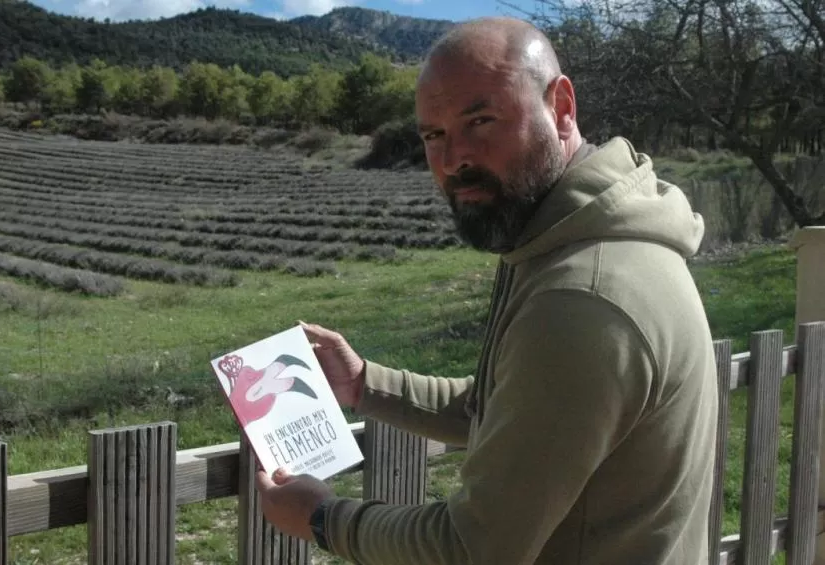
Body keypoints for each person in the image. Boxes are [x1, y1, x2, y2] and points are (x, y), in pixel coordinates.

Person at [255, 15, 719, 565]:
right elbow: (516, 409)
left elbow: (473, 547)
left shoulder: (582, 298)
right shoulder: (579, 245)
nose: (455, 160)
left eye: (481, 120)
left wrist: (324, 519)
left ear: (561, 108)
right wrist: (363, 384)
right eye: (434, 135)